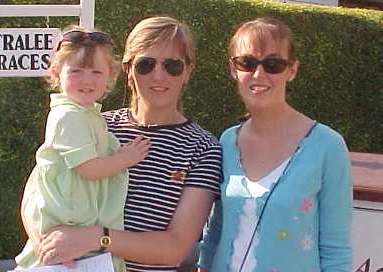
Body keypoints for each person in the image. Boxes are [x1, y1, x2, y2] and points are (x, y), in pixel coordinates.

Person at [22, 16, 223, 272]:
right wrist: (45, 243)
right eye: (146, 64)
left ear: (188, 71)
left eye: (172, 65)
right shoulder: (92, 125)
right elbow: (36, 193)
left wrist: (97, 238)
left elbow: (176, 249)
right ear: (128, 70)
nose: (158, 75)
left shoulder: (203, 148)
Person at [197, 17, 353, 272]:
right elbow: (215, 232)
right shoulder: (226, 141)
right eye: (246, 63)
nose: (259, 74)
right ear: (233, 69)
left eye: (273, 64)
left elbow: (336, 250)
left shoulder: (328, 146)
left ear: (292, 70)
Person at [16, 26, 150, 272]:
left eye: (96, 71)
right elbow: (89, 169)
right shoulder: (68, 116)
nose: (87, 80)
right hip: (64, 222)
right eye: (76, 71)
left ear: (110, 75)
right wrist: (125, 158)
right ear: (56, 73)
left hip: (78, 232)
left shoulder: (88, 115)